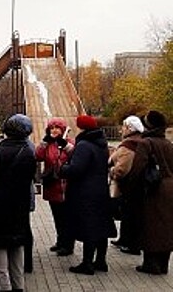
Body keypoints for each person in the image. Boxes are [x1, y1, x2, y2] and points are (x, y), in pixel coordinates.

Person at [0, 114, 36, 292]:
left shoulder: (0, 151)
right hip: (19, 205)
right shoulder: (29, 151)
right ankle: (18, 285)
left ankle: (3, 285)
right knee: (17, 245)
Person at [60, 115, 116, 275]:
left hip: (85, 192)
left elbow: (77, 169)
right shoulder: (101, 143)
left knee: (89, 227)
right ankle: (100, 261)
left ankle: (87, 263)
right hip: (100, 190)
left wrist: (64, 169)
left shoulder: (84, 145)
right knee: (101, 226)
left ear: (82, 127)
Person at [130, 110, 173, 275]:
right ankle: (163, 264)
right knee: (167, 226)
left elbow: (137, 169)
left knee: (151, 226)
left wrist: (130, 188)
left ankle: (150, 263)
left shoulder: (146, 143)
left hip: (153, 189)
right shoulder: (168, 144)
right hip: (170, 189)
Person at [35, 117, 75, 257]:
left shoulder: (69, 143)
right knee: (57, 216)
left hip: (65, 186)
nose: (54, 130)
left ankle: (68, 244)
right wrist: (44, 142)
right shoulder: (49, 144)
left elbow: (74, 156)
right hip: (52, 185)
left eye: (57, 128)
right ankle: (60, 241)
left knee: (67, 217)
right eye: (52, 128)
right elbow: (38, 156)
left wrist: (64, 145)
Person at [108, 116, 144, 255]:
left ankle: (129, 242)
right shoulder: (140, 141)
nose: (121, 129)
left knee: (129, 214)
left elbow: (122, 169)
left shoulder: (129, 145)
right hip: (138, 185)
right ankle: (124, 239)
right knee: (129, 214)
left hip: (128, 185)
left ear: (129, 128)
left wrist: (112, 172)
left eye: (124, 126)